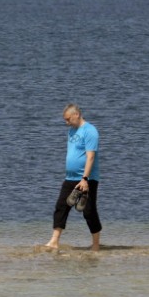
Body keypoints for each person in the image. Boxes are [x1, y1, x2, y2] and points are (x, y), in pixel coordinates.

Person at [45, 104, 101, 252]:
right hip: (70, 178)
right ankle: (54, 241)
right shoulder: (71, 131)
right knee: (61, 207)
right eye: (65, 120)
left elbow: (90, 157)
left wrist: (85, 179)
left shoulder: (90, 131)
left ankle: (96, 245)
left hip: (87, 179)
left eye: (68, 119)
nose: (66, 122)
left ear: (76, 115)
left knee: (88, 212)